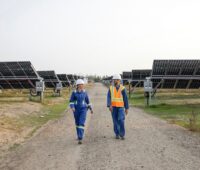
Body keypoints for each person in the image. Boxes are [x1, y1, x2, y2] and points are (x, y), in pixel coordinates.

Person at [69, 79, 93, 144]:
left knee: (81, 123)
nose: (82, 86)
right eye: (80, 84)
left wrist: (90, 108)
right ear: (77, 85)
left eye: (83, 84)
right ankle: (78, 135)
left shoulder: (85, 92)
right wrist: (72, 107)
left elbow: (88, 101)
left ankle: (80, 137)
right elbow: (71, 101)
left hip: (83, 109)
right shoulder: (74, 93)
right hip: (76, 110)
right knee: (77, 123)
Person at [107, 74, 129, 140]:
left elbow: (125, 98)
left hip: (121, 107)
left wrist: (127, 108)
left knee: (121, 120)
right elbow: (109, 97)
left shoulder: (123, 88)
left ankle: (122, 134)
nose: (114, 81)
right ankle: (117, 134)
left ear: (119, 80)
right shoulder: (111, 88)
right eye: (113, 80)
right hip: (113, 107)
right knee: (115, 121)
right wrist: (109, 105)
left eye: (115, 80)